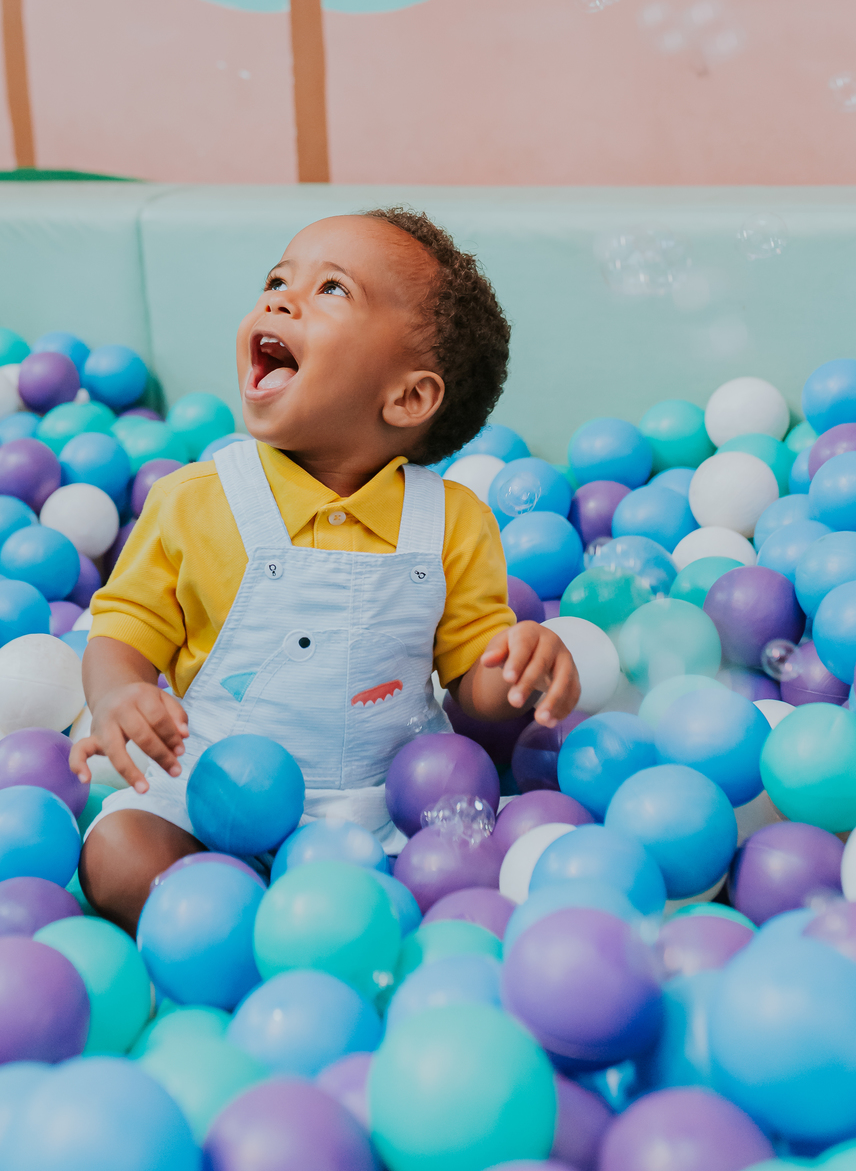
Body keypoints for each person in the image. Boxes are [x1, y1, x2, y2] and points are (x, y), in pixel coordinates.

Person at [71, 207, 580, 930]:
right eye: (278, 279)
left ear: (408, 397)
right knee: (118, 853)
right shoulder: (198, 499)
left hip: (380, 810)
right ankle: (241, 926)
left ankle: (310, 926)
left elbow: (473, 687)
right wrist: (118, 695)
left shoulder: (451, 522)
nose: (280, 297)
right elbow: (125, 628)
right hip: (207, 787)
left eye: (332, 290)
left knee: (455, 883)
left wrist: (521, 665)